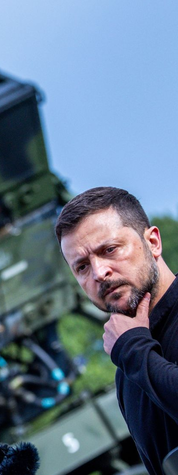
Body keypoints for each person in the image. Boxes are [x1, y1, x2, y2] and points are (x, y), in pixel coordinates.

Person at [56, 187, 176, 475]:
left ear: (153, 242)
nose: (99, 273)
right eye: (82, 267)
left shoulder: (131, 353)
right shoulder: (127, 372)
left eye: (109, 250)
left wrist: (133, 349)